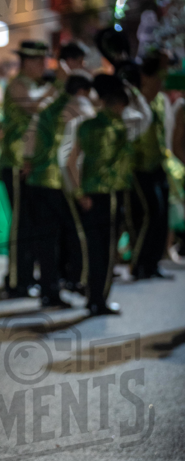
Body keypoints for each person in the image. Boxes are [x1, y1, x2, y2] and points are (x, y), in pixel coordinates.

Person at [67, 74, 148, 316]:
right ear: (119, 103)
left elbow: (71, 161)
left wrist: (79, 192)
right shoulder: (121, 126)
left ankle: (92, 298)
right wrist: (133, 90)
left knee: (93, 248)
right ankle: (100, 300)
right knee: (108, 249)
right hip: (112, 195)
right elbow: (145, 116)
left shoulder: (85, 125)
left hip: (89, 195)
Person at [27, 74, 93, 307]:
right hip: (62, 182)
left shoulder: (47, 108)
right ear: (83, 91)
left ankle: (49, 291)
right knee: (76, 237)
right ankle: (78, 282)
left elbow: (30, 143)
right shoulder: (80, 107)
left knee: (45, 240)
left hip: (38, 180)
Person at [0, 40, 58, 298]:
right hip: (15, 162)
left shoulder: (37, 85)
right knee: (21, 225)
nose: (44, 66)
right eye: (40, 61)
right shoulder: (18, 84)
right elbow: (33, 107)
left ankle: (25, 276)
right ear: (28, 62)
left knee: (31, 224)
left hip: (30, 163)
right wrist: (57, 88)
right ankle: (16, 280)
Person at [129, 56, 173, 279]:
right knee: (149, 214)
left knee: (162, 214)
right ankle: (139, 264)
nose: (161, 83)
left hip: (158, 164)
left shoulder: (159, 100)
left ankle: (153, 263)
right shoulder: (137, 99)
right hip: (138, 166)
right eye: (158, 77)